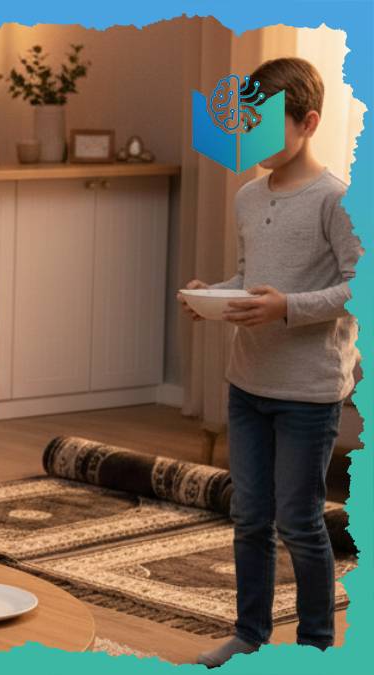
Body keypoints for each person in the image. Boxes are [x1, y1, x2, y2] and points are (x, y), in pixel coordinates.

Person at [182, 57, 361, 667]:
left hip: (308, 391)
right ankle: (249, 636)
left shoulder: (337, 200)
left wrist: (287, 308)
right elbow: (251, 280)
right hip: (247, 382)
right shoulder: (246, 196)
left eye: (262, 125)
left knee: (299, 522)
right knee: (249, 518)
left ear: (307, 122)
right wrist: (216, 294)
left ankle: (313, 648)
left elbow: (355, 289)